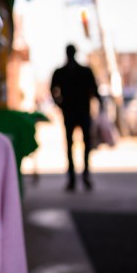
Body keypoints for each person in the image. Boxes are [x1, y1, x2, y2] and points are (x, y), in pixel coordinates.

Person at [50, 44, 101, 191]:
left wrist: (60, 103)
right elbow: (95, 90)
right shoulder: (84, 71)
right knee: (84, 144)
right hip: (80, 112)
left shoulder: (62, 72)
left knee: (72, 145)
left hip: (71, 112)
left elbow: (53, 90)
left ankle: (74, 178)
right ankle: (83, 176)